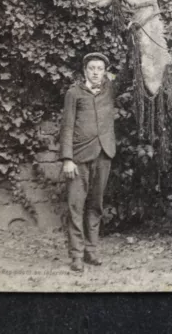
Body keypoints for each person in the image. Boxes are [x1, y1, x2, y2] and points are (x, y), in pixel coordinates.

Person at [59, 52, 123, 272]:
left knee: (95, 206)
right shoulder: (73, 93)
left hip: (104, 154)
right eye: (92, 68)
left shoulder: (110, 90)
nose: (96, 72)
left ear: (105, 72)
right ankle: (76, 255)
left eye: (100, 69)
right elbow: (66, 126)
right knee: (76, 206)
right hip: (78, 157)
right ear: (85, 70)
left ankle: (91, 251)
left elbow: (128, 76)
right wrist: (67, 158)